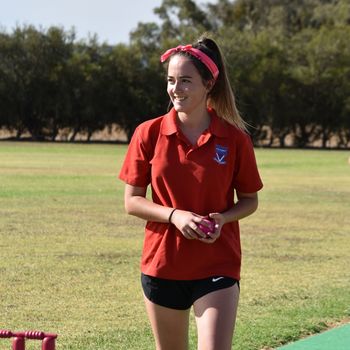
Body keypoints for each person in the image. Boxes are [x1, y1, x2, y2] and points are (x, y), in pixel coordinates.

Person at [119, 36, 263, 350]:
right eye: (171, 81)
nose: (175, 89)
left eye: (185, 80)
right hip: (163, 264)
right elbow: (132, 201)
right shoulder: (149, 133)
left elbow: (250, 200)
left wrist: (223, 218)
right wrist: (174, 215)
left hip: (217, 263)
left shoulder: (235, 139)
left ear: (209, 83)